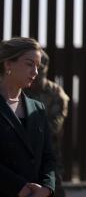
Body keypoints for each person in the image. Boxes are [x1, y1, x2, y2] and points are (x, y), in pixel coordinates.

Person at [0, 37, 55, 197]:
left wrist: (47, 187)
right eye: (30, 64)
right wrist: (18, 186)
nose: (35, 72)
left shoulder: (38, 108)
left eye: (38, 66)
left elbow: (48, 156)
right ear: (8, 64)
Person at [25, 50, 69, 197]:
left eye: (40, 67)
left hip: (49, 159)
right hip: (22, 158)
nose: (36, 73)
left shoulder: (56, 93)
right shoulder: (20, 91)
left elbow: (53, 128)